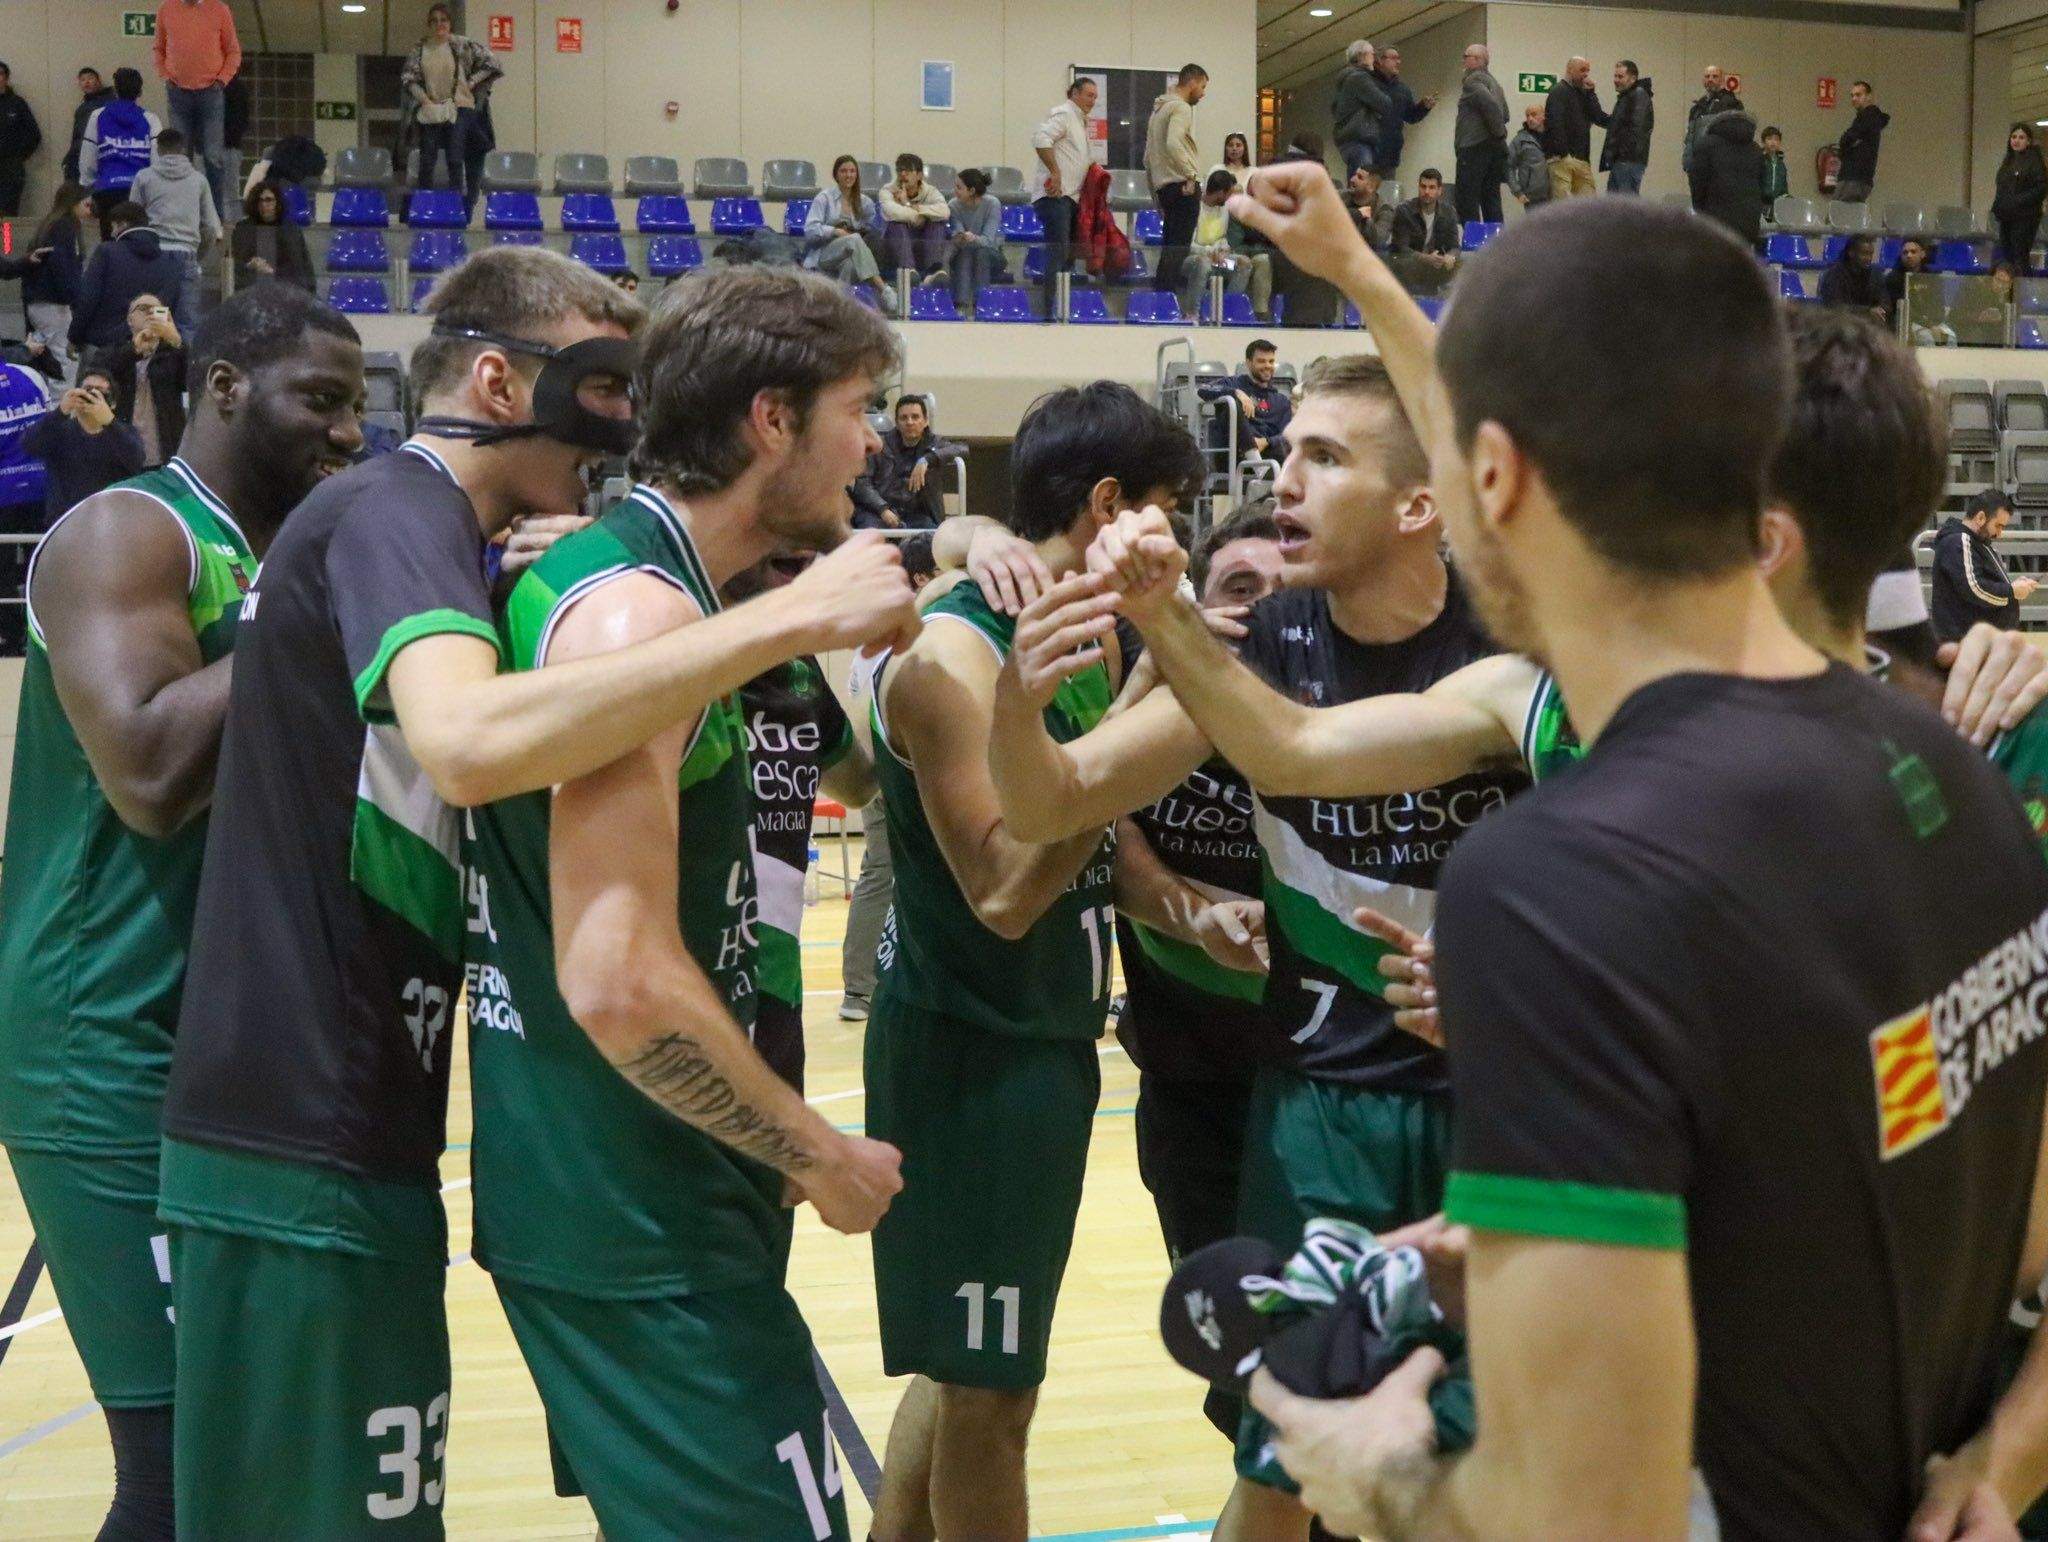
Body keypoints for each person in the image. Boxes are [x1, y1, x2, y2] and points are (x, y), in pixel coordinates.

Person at [1201, 162, 2048, 1542]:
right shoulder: (1958, 773)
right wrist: (1997, 1469)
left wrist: (1374, 1474)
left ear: (1488, 476)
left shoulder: (1560, 884)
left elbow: (1583, 1515)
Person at [151, 245, 916, 1539]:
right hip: (306, 1127)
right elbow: (468, 744)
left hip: (378, 1130)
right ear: (501, 380)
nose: (619, 418)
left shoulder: (502, 555)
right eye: (598, 380)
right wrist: (786, 624)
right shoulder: (411, 510)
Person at [987, 353, 1530, 1542]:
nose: (1278, 477)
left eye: (1321, 456)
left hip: (1507, 1105)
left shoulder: (1516, 657)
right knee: (1283, 1456)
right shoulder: (1269, 643)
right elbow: (1048, 806)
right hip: (1319, 1109)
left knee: (1505, 1456)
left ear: (1417, 505)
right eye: (1282, 449)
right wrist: (1018, 704)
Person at [465, 265, 914, 1542]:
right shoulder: (634, 615)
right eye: (857, 406)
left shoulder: (664, 592)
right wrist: (816, 1150)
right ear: (771, 421)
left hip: (633, 1196)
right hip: (630, 1215)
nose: (871, 441)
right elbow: (615, 977)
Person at [0, 281, 367, 1542]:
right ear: (221, 387)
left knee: (255, 1455)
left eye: (359, 408)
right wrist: (312, 593)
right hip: (102, 1044)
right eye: (319, 400)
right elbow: (153, 777)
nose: (346, 434)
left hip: (230, 1047)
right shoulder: (130, 533)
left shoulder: (274, 559)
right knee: (181, 1472)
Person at [862, 383, 1214, 1542]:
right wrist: (1145, 710)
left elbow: (1081, 827)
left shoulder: (1071, 624)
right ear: (1109, 504)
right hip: (972, 1053)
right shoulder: (955, 658)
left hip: (1038, 1038)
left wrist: (1160, 889)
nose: (1177, 540)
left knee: (973, 1368)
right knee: (994, 1401)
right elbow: (1006, 894)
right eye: (1166, 510)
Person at [731, 553, 877, 1093]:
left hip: (775, 983)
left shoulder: (797, 664)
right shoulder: (669, 641)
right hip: (688, 985)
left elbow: (858, 783)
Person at [18, 360, 145, 524]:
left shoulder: (123, 433)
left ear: (112, 403)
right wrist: (60, 411)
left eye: (100, 393)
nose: (91, 396)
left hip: (111, 523)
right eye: (85, 391)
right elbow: (29, 445)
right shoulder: (59, 431)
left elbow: (136, 461)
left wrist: (109, 422)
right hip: (66, 523)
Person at [400, 3, 501, 208]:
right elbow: (408, 79)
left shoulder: (461, 44)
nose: (439, 24)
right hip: (432, 107)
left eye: (443, 20)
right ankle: (424, 205)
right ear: (429, 24)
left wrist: (472, 82)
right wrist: (425, 100)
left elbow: (493, 63)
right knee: (427, 158)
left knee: (455, 156)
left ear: (450, 22)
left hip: (460, 106)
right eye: (435, 20)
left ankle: (455, 206)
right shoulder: (420, 49)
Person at [130, 127, 222, 338]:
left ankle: (154, 366)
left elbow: (132, 220)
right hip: (186, 255)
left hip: (154, 256)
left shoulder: (144, 178)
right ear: (183, 149)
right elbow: (211, 227)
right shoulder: (198, 180)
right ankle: (184, 367)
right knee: (187, 322)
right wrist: (197, 254)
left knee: (156, 318)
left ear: (158, 149)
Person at [152, 0, 240, 219]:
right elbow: (158, 48)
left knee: (213, 157)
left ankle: (215, 217)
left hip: (211, 92)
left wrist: (221, 80)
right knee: (180, 157)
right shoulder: (166, 8)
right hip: (178, 92)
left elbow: (233, 51)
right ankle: (183, 216)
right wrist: (165, 76)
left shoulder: (220, 10)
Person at [1031, 76, 1095, 315]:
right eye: (1089, 95)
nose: (1093, 100)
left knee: (1066, 255)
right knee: (1058, 253)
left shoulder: (1080, 121)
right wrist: (1055, 172)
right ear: (1074, 93)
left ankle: (1060, 306)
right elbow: (1040, 138)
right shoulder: (1064, 114)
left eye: (1095, 97)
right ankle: (1049, 310)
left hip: (1070, 199)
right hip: (1055, 196)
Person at [1935, 490, 2037, 641]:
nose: (1999, 533)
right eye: (1998, 526)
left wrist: (2012, 586)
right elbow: (1974, 588)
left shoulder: (1977, 542)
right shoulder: (1959, 540)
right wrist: (2011, 591)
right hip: (1965, 640)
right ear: (1981, 517)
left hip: (1980, 639)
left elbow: (1983, 581)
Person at [105, 293, 187, 470]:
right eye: (143, 309)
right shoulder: (117, 348)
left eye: (156, 310)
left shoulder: (173, 352)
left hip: (164, 451)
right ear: (129, 320)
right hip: (124, 451)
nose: (150, 313)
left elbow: (192, 380)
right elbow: (103, 371)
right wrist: (134, 350)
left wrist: (177, 340)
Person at [1147, 63, 1210, 294]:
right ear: (1192, 82)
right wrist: (1191, 175)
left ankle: (1161, 297)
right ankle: (1167, 299)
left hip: (1164, 188)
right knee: (1178, 248)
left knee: (1169, 247)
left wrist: (1155, 197)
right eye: (1202, 87)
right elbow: (1173, 143)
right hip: (1182, 186)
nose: (1203, 93)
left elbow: (1148, 158)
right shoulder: (1181, 108)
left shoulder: (1158, 110)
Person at [803, 154, 892, 314]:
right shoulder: (824, 198)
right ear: (836, 175)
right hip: (824, 253)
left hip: (850, 253)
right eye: (844, 171)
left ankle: (840, 308)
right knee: (854, 240)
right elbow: (809, 230)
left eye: (852, 171)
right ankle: (883, 288)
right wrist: (835, 231)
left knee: (851, 264)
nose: (849, 175)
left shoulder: (865, 202)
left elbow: (874, 228)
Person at [865, 393, 965, 530]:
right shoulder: (880, 446)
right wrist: (882, 508)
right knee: (870, 536)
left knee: (932, 539)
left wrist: (928, 459)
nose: (910, 422)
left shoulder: (935, 442)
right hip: (880, 512)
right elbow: (863, 482)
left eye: (915, 417)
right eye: (904, 418)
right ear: (897, 423)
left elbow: (962, 448)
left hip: (918, 516)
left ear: (925, 421)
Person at [80, 69, 163, 233]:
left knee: (110, 244)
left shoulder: (98, 116)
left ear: (116, 90)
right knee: (138, 242)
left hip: (107, 190)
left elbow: (88, 156)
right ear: (139, 91)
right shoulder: (150, 119)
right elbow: (157, 160)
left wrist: (87, 184)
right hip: (139, 191)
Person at [24, 181, 90, 380]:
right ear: (73, 203)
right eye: (86, 205)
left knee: (48, 360)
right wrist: (76, 301)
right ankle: (60, 409)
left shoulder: (50, 224)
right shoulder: (65, 227)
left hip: (41, 302)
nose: (90, 211)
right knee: (63, 364)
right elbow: (63, 269)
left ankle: (52, 406)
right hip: (53, 305)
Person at [1183, 169, 1261, 319]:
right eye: (1229, 193)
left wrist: (1225, 250)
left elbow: (1222, 238)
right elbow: (1189, 245)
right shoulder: (1194, 208)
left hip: (1219, 261)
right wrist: (1209, 252)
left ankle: (1227, 310)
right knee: (1203, 263)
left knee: (1243, 264)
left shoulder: (1224, 209)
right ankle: (1192, 313)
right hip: (1193, 260)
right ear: (1220, 192)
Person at [1198, 338, 1293, 462]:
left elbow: (1288, 435)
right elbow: (1203, 389)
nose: (1267, 366)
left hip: (1269, 454)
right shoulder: (1234, 383)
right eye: (1261, 361)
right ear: (1248, 363)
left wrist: (1266, 442)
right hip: (1236, 456)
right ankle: (1253, 456)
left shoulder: (1281, 401)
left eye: (1271, 361)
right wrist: (1235, 392)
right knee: (1231, 402)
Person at [1689, 111, 1765, 246]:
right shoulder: (1756, 150)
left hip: (1715, 223)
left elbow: (1697, 185)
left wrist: (1701, 212)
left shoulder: (1705, 145)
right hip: (1749, 224)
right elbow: (1762, 186)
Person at [1453, 42, 1508, 224]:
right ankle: (1496, 246)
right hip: (1493, 149)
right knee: (1491, 198)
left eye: (1465, 56)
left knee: (1467, 199)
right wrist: (1498, 135)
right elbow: (1505, 114)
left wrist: (1498, 132)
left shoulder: (1473, 81)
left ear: (1477, 60)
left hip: (1473, 148)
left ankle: (1473, 247)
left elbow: (1489, 105)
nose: (1463, 60)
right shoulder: (1495, 83)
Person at [1542, 56, 1608, 200]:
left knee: (1589, 205)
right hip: (1562, 159)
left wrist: (1591, 93)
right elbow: (1554, 124)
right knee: (1562, 207)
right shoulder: (1558, 92)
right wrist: (1564, 153)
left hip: (1582, 158)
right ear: (1570, 70)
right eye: (1582, 70)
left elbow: (1598, 117)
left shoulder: (1583, 93)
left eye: (1588, 71)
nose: (1586, 74)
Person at [231, 179, 315, 292]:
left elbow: (299, 267)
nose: (263, 204)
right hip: (251, 289)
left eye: (268, 200)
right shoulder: (244, 228)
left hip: (286, 290)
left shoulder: (291, 230)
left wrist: (271, 272)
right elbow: (235, 264)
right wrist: (250, 265)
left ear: (277, 202)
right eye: (259, 201)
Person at [1388, 167, 1460, 294]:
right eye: (1423, 186)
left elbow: (1454, 246)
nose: (1426, 191)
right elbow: (1400, 248)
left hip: (1435, 269)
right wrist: (1426, 258)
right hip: (1408, 268)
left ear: (1439, 190)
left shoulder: (1449, 212)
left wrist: (1451, 257)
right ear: (1418, 187)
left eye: (1432, 187)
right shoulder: (1404, 210)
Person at [881, 151, 950, 280]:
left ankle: (933, 272)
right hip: (894, 246)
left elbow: (944, 212)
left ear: (919, 175)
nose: (902, 174)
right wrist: (918, 217)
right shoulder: (888, 190)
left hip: (924, 244)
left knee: (937, 224)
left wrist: (908, 204)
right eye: (900, 170)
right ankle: (909, 271)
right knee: (896, 223)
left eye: (908, 171)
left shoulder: (930, 191)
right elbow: (891, 212)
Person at [946, 166, 1004, 313]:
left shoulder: (992, 204)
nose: (955, 191)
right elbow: (957, 232)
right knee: (966, 253)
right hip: (964, 253)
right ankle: (962, 306)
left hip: (991, 255)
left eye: (959, 187)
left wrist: (973, 238)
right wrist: (961, 237)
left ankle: (981, 304)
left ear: (971, 191)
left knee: (981, 253)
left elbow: (989, 241)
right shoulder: (953, 205)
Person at [1372, 47, 1434, 181]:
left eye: (1398, 58)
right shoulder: (1368, 85)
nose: (1398, 62)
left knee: (1386, 198)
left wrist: (1424, 107)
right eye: (1394, 58)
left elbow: (1410, 116)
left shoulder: (1402, 89)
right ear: (1380, 61)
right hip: (1369, 152)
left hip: (1391, 156)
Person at [1331, 40, 1390, 179]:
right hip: (1360, 139)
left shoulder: (1346, 79)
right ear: (1361, 56)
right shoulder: (1359, 78)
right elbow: (1384, 103)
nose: (1374, 58)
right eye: (1372, 54)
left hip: (1348, 139)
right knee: (1362, 185)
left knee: (1357, 182)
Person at [1996, 122, 2047, 273]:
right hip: (2007, 215)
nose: (2016, 140)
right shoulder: (2008, 160)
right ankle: (2008, 292)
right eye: (2014, 137)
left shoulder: (2035, 161)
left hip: (2025, 216)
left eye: (2021, 137)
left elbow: (2041, 188)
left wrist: (2018, 201)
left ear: (2028, 141)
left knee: (2020, 256)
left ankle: (2022, 290)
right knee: (2007, 257)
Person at [1682, 63, 1743, 186]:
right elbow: (1690, 138)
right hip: (1697, 166)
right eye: (1707, 76)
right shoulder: (1697, 108)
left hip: (1720, 167)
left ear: (1722, 80)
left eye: (1715, 76)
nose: (1710, 79)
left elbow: (1737, 135)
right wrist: (1687, 161)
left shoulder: (1731, 104)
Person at [1602, 60, 1653, 194]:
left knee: (1625, 207)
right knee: (1615, 207)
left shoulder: (1638, 95)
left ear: (1633, 78)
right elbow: (1613, 123)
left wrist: (1622, 155)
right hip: (1622, 161)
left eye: (1620, 76)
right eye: (1615, 76)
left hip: (1628, 161)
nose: (1616, 80)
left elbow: (1637, 129)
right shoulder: (1627, 97)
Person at [1833, 79, 1888, 204]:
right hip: (1863, 178)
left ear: (1869, 97)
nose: (1854, 98)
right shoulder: (1871, 119)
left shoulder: (1868, 117)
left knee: (1836, 216)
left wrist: (1845, 146)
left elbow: (1847, 140)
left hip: (1853, 176)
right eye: (1852, 95)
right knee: (1852, 217)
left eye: (1858, 95)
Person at [0, 61, 43, 218]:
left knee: (7, 215)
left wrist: (17, 156)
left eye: (0, 74)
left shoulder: (17, 103)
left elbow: (34, 134)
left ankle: (7, 243)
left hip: (11, 169)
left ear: (6, 78)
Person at [1886, 235, 1950, 340]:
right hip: (1908, 323)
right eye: (1905, 253)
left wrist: (1934, 324)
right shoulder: (1893, 278)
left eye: (1913, 252)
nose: (1909, 255)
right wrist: (1929, 325)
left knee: (1951, 338)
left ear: (1922, 254)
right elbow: (1904, 310)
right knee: (1927, 338)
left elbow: (1939, 306)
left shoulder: (1932, 277)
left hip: (1933, 322)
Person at [1817, 232, 1886, 321]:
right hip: (1840, 325)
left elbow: (1885, 301)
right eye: (1864, 254)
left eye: (1870, 254)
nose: (1868, 258)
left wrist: (1880, 310)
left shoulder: (1875, 274)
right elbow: (1835, 307)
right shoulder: (1834, 275)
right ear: (1851, 253)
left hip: (1868, 325)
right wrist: (1867, 311)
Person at [63, 67, 114, 185]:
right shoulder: (82, 107)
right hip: (80, 159)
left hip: (99, 159)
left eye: (90, 78)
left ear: (98, 81)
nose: (86, 82)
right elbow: (77, 136)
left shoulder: (109, 103)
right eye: (83, 79)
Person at [1508, 106, 1550, 211]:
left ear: (1544, 115)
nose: (1530, 119)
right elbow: (1507, 166)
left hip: (1556, 194)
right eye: (1528, 116)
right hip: (1533, 198)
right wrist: (1517, 192)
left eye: (1534, 114)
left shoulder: (1554, 136)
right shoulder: (1520, 140)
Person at [1344, 164, 1391, 253]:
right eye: (1355, 175)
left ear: (1371, 187)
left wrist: (1367, 220)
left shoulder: (1385, 209)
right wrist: (1357, 213)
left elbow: (1379, 240)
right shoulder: (1342, 196)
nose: (1352, 179)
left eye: (1359, 177)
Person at [1759, 124, 1789, 209]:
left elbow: (1784, 186)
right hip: (1760, 203)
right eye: (1769, 139)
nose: (1773, 142)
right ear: (1763, 142)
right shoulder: (1759, 160)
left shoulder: (1781, 164)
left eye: (1776, 139)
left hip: (1776, 205)